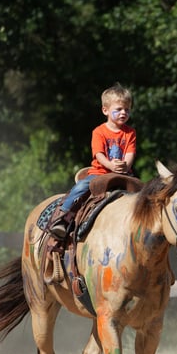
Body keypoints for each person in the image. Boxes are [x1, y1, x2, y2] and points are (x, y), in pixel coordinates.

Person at [49, 83, 137, 240]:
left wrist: (125, 165)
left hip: (124, 174)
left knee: (142, 192)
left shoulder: (130, 132)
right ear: (106, 110)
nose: (123, 112)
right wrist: (110, 165)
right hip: (100, 173)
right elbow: (99, 154)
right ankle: (64, 217)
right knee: (82, 187)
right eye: (118, 109)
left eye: (127, 109)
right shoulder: (99, 132)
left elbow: (130, 153)